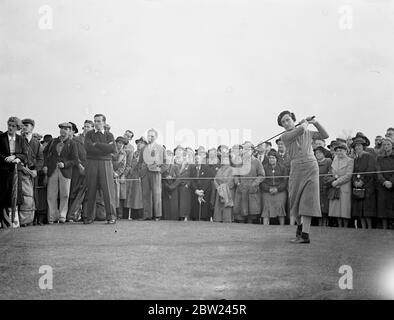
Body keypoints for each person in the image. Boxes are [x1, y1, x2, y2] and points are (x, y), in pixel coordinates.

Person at [278, 111, 329, 244]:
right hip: (296, 168)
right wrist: (305, 123)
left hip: (311, 166)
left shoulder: (308, 132)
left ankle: (305, 235)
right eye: (283, 122)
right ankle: (299, 231)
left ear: (293, 119)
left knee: (308, 200)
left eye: (288, 120)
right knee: (295, 200)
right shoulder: (285, 136)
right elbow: (300, 130)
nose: (286, 123)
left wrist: (315, 123)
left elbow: (325, 135)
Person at [84, 114, 117, 224]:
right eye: (95, 121)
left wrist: (96, 144)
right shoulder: (89, 134)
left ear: (104, 122)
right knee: (91, 189)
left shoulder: (109, 135)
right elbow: (88, 148)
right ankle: (89, 217)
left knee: (108, 190)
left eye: (99, 121)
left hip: (105, 163)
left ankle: (111, 216)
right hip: (92, 162)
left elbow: (112, 148)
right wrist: (104, 148)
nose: (97, 123)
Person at [43, 122, 78, 224]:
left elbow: (75, 160)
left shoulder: (72, 143)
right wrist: (45, 165)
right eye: (62, 128)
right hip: (52, 170)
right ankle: (52, 217)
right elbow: (45, 153)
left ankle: (62, 216)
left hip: (65, 172)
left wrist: (65, 164)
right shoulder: (53, 141)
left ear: (70, 131)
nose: (63, 131)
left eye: (66, 129)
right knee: (51, 194)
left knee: (65, 194)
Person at [0, 117, 28, 228]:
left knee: (15, 196)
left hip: (16, 173)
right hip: (3, 172)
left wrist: (16, 157)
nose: (10, 128)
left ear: (17, 127)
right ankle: (4, 222)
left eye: (13, 126)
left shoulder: (21, 139)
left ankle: (14, 222)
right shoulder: (1, 138)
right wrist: (5, 158)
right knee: (3, 196)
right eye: (9, 125)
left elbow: (25, 155)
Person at [233, 142, 265, 224]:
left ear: (252, 150)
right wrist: (238, 183)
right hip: (241, 188)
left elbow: (261, 175)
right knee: (241, 211)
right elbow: (235, 175)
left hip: (252, 189)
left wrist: (254, 184)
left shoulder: (257, 162)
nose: (246, 151)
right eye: (244, 149)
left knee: (252, 212)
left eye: (248, 149)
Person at [139, 128, 166, 221]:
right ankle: (147, 215)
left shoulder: (161, 148)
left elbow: (165, 163)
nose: (150, 137)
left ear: (156, 137)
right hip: (145, 174)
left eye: (152, 136)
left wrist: (159, 171)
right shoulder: (143, 149)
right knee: (145, 194)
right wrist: (141, 172)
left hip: (156, 174)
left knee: (157, 194)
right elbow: (140, 162)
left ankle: (157, 215)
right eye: (148, 135)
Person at [351, 135, 377, 229]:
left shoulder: (369, 156)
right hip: (358, 187)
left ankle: (369, 228)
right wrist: (355, 182)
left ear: (363, 146)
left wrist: (362, 181)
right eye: (355, 146)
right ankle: (362, 228)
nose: (357, 147)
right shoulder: (356, 159)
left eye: (359, 145)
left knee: (367, 211)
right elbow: (353, 172)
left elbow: (371, 170)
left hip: (368, 186)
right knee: (359, 211)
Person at [21, 118, 43, 226]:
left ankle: (33, 219)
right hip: (21, 171)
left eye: (27, 125)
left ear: (32, 127)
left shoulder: (37, 143)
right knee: (24, 196)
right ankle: (24, 220)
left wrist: (36, 170)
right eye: (23, 125)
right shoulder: (18, 140)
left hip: (33, 172)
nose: (25, 127)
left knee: (34, 196)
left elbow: (40, 159)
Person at [327, 142, 354, 228]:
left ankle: (345, 227)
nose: (339, 152)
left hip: (344, 186)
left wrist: (337, 181)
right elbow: (331, 172)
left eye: (341, 150)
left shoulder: (350, 160)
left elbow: (348, 175)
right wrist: (332, 180)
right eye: (337, 151)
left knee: (344, 209)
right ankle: (339, 226)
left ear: (346, 150)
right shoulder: (335, 159)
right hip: (335, 187)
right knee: (336, 210)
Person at [66, 122, 87, 223]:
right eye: (85, 126)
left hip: (89, 169)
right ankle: (70, 215)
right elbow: (75, 155)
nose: (86, 128)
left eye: (88, 126)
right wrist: (79, 165)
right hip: (76, 169)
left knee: (85, 193)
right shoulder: (76, 140)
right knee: (73, 191)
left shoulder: (93, 139)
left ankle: (83, 215)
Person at [261, 149, 288, 225]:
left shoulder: (282, 168)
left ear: (276, 159)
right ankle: (264, 227)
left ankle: (282, 227)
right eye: (270, 158)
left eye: (273, 158)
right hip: (267, 191)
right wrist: (268, 189)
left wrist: (277, 189)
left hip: (280, 191)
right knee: (266, 208)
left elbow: (285, 181)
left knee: (280, 208)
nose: (271, 159)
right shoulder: (264, 168)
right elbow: (262, 181)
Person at [212, 146, 235, 223]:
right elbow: (215, 179)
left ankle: (227, 220)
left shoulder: (232, 169)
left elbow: (230, 181)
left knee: (227, 208)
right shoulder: (220, 169)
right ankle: (218, 219)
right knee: (218, 209)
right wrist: (218, 188)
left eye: (226, 159)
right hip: (219, 191)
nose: (224, 160)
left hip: (227, 192)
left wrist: (222, 187)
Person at [125, 136, 146, 220]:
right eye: (138, 143)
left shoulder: (146, 154)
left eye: (141, 143)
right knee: (132, 196)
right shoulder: (135, 153)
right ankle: (133, 214)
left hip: (140, 177)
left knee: (139, 196)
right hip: (132, 177)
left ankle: (140, 215)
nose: (139, 144)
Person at [376, 137, 394, 229]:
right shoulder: (379, 158)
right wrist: (384, 182)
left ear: (392, 145)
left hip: (392, 186)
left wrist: (391, 182)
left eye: (388, 144)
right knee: (383, 209)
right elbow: (378, 172)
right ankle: (383, 228)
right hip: (382, 186)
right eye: (384, 145)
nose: (386, 146)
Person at [190, 149, 213, 221]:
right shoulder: (192, 169)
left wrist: (202, 191)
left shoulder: (207, 168)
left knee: (204, 209)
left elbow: (208, 180)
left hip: (205, 191)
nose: (197, 160)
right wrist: (196, 190)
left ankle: (205, 219)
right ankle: (196, 218)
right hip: (196, 192)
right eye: (195, 159)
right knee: (196, 209)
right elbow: (191, 181)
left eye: (198, 159)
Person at [314, 146, 332, 227]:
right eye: (316, 153)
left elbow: (331, 173)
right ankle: (319, 225)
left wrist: (326, 182)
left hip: (325, 188)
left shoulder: (328, 161)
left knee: (325, 208)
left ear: (324, 153)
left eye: (320, 152)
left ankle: (325, 225)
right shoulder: (314, 163)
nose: (317, 154)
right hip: (315, 188)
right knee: (318, 209)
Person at [162, 148, 180, 220]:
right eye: (167, 156)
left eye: (170, 156)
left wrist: (172, 186)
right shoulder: (163, 167)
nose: (168, 158)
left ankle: (174, 218)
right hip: (165, 188)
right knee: (166, 205)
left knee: (173, 205)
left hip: (174, 189)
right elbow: (162, 177)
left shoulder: (176, 167)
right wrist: (167, 185)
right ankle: (166, 218)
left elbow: (179, 179)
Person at [113, 137, 128, 217]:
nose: (120, 145)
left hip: (116, 176)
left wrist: (117, 173)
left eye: (122, 144)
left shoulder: (123, 153)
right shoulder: (111, 150)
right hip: (108, 173)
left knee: (116, 195)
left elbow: (123, 165)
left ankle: (116, 213)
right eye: (119, 143)